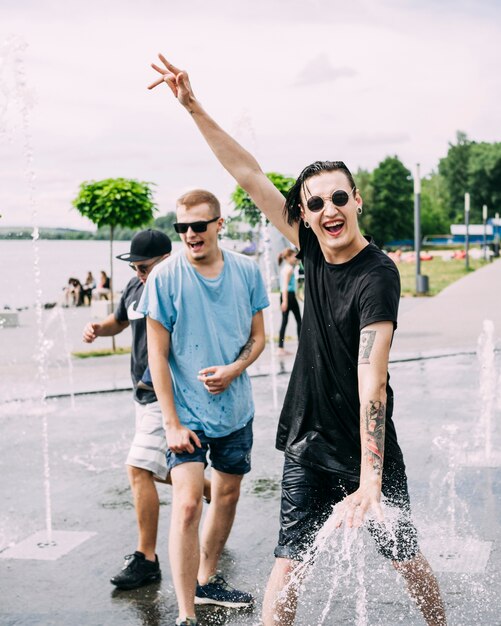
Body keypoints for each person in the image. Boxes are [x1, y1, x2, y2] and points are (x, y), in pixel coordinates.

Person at [147, 55, 447, 626]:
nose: (328, 210)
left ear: (357, 201)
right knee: (288, 565)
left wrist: (371, 480)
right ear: (303, 216)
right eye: (315, 203)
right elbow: (248, 174)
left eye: (339, 198)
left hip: (364, 447)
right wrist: (192, 106)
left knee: (405, 558)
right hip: (309, 439)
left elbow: (372, 378)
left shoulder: (377, 275)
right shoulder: (310, 248)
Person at [138, 189, 269, 626]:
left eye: (199, 225)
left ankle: (208, 579)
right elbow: (157, 355)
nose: (191, 234)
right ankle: (186, 613)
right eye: (183, 227)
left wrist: (234, 369)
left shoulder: (247, 271)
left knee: (228, 495)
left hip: (235, 410)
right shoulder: (164, 277)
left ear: (218, 224)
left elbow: (259, 338)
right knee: (190, 504)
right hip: (186, 416)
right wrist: (170, 422)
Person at [82, 229, 209, 591]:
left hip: (165, 393)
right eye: (135, 267)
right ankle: (210, 488)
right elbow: (119, 321)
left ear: (166, 260)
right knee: (159, 468)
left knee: (138, 468)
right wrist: (97, 328)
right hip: (140, 392)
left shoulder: (182, 287)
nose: (138, 273)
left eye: (144, 267)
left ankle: (146, 559)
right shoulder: (136, 287)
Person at [276, 248, 302, 356]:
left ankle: (280, 348)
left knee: (285, 322)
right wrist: (285, 301)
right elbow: (285, 286)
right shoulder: (289, 269)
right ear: (288, 257)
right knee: (299, 321)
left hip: (286, 296)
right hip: (288, 296)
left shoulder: (286, 268)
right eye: (293, 256)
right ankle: (300, 346)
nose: (295, 258)